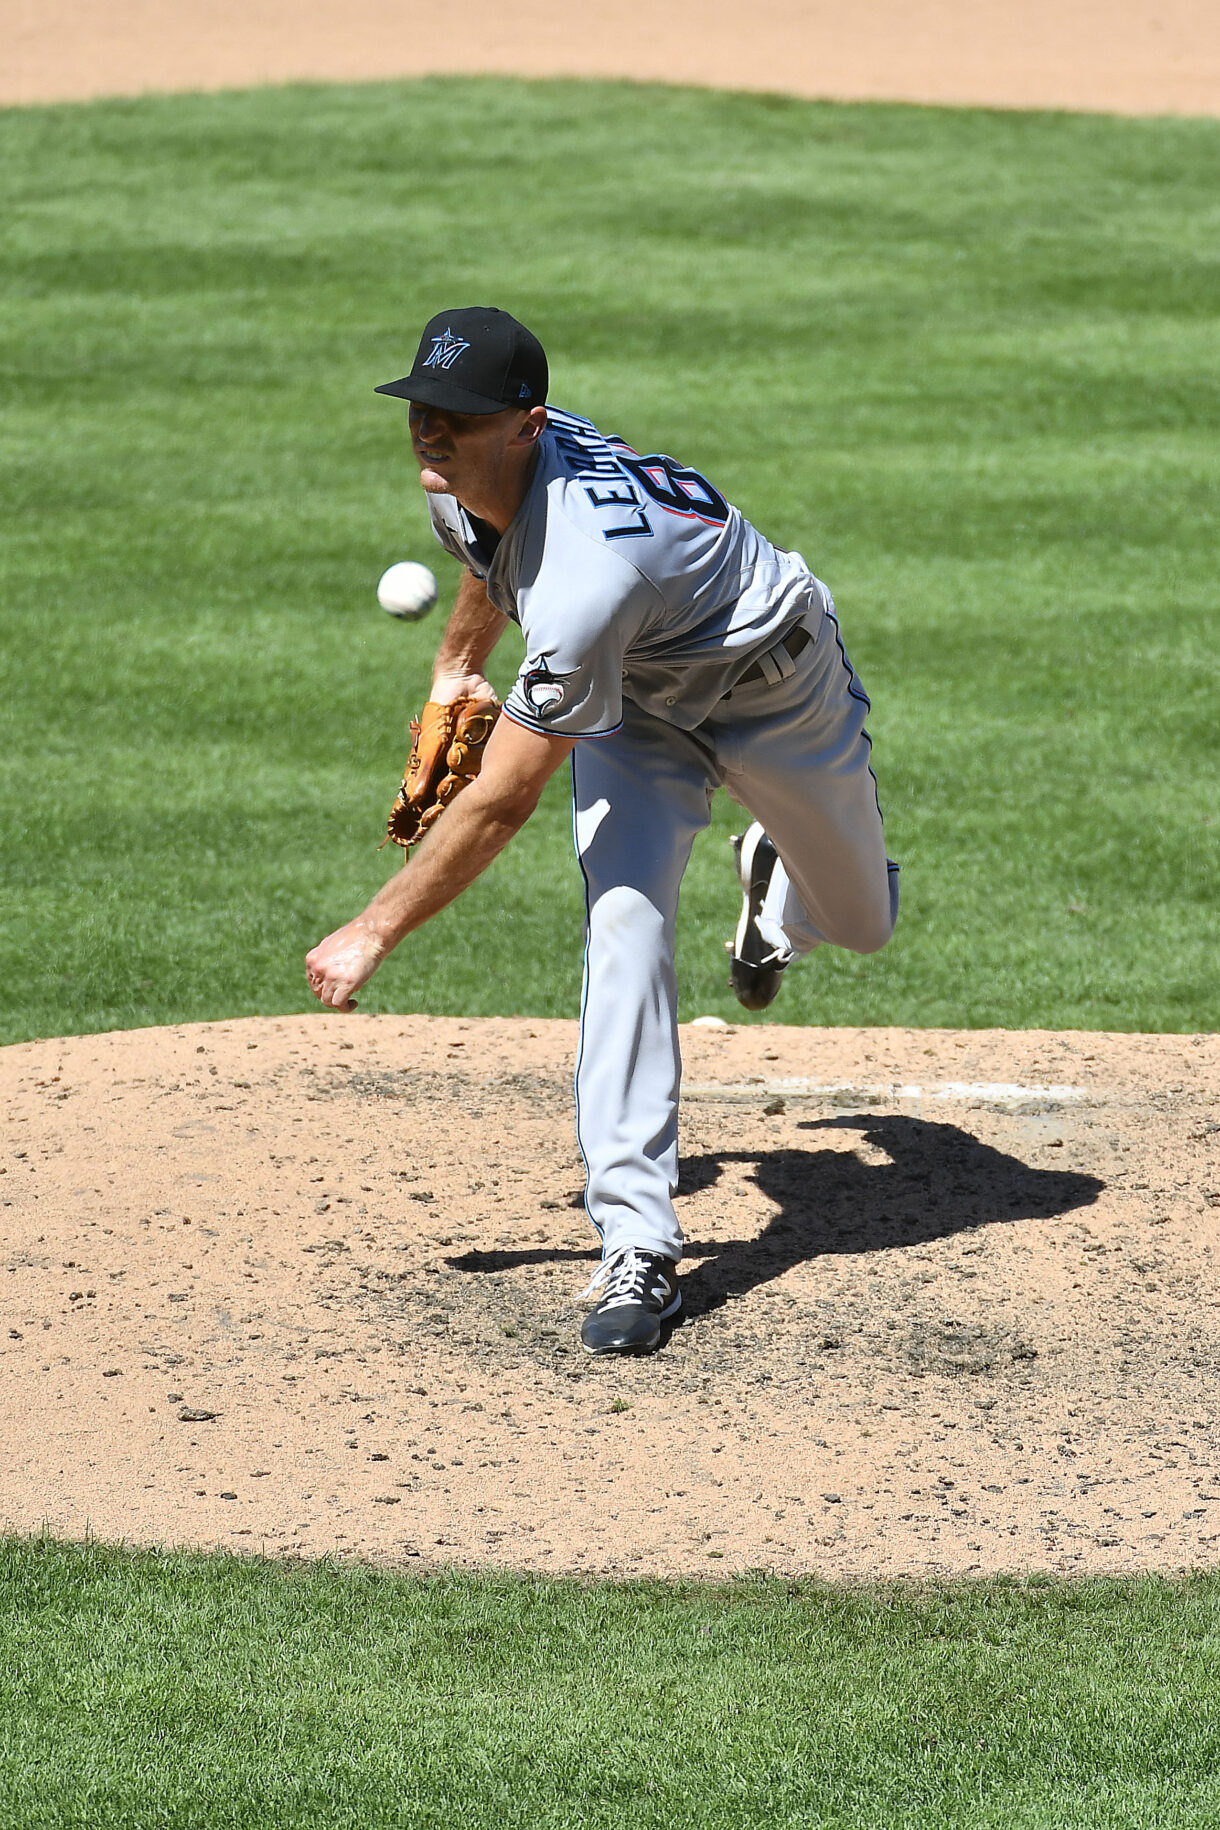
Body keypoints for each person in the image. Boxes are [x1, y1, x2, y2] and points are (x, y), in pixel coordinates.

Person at [306, 306, 898, 1356]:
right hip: (634, 713)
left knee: (858, 923)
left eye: (460, 415)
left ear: (528, 423)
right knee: (625, 926)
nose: (431, 432)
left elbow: (499, 801)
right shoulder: (461, 480)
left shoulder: (589, 574)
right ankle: (636, 1242)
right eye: (422, 408)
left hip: (776, 688)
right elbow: (491, 564)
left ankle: (776, 882)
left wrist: (374, 928)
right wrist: (455, 666)